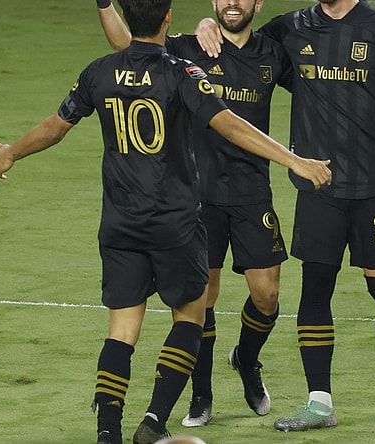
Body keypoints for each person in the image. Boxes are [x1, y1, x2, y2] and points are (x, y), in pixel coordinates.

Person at [0, 2, 331, 444]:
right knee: (190, 316)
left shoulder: (99, 71)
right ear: (168, 18)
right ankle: (155, 420)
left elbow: (56, 128)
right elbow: (228, 124)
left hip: (120, 225)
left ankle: (107, 433)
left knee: (122, 333)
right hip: (176, 223)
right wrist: (295, 160)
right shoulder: (181, 73)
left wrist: (10, 152)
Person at [196, 0, 375, 431]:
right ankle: (319, 402)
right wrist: (206, 24)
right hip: (319, 184)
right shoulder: (292, 27)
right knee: (315, 292)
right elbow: (242, 39)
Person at [95, 0, 293, 428]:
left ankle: (247, 359)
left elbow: (320, 86)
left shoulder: (274, 53)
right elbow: (127, 45)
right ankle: (200, 396)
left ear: (259, 3)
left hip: (250, 192)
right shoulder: (189, 48)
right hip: (196, 198)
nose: (231, 3)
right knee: (200, 302)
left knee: (268, 295)